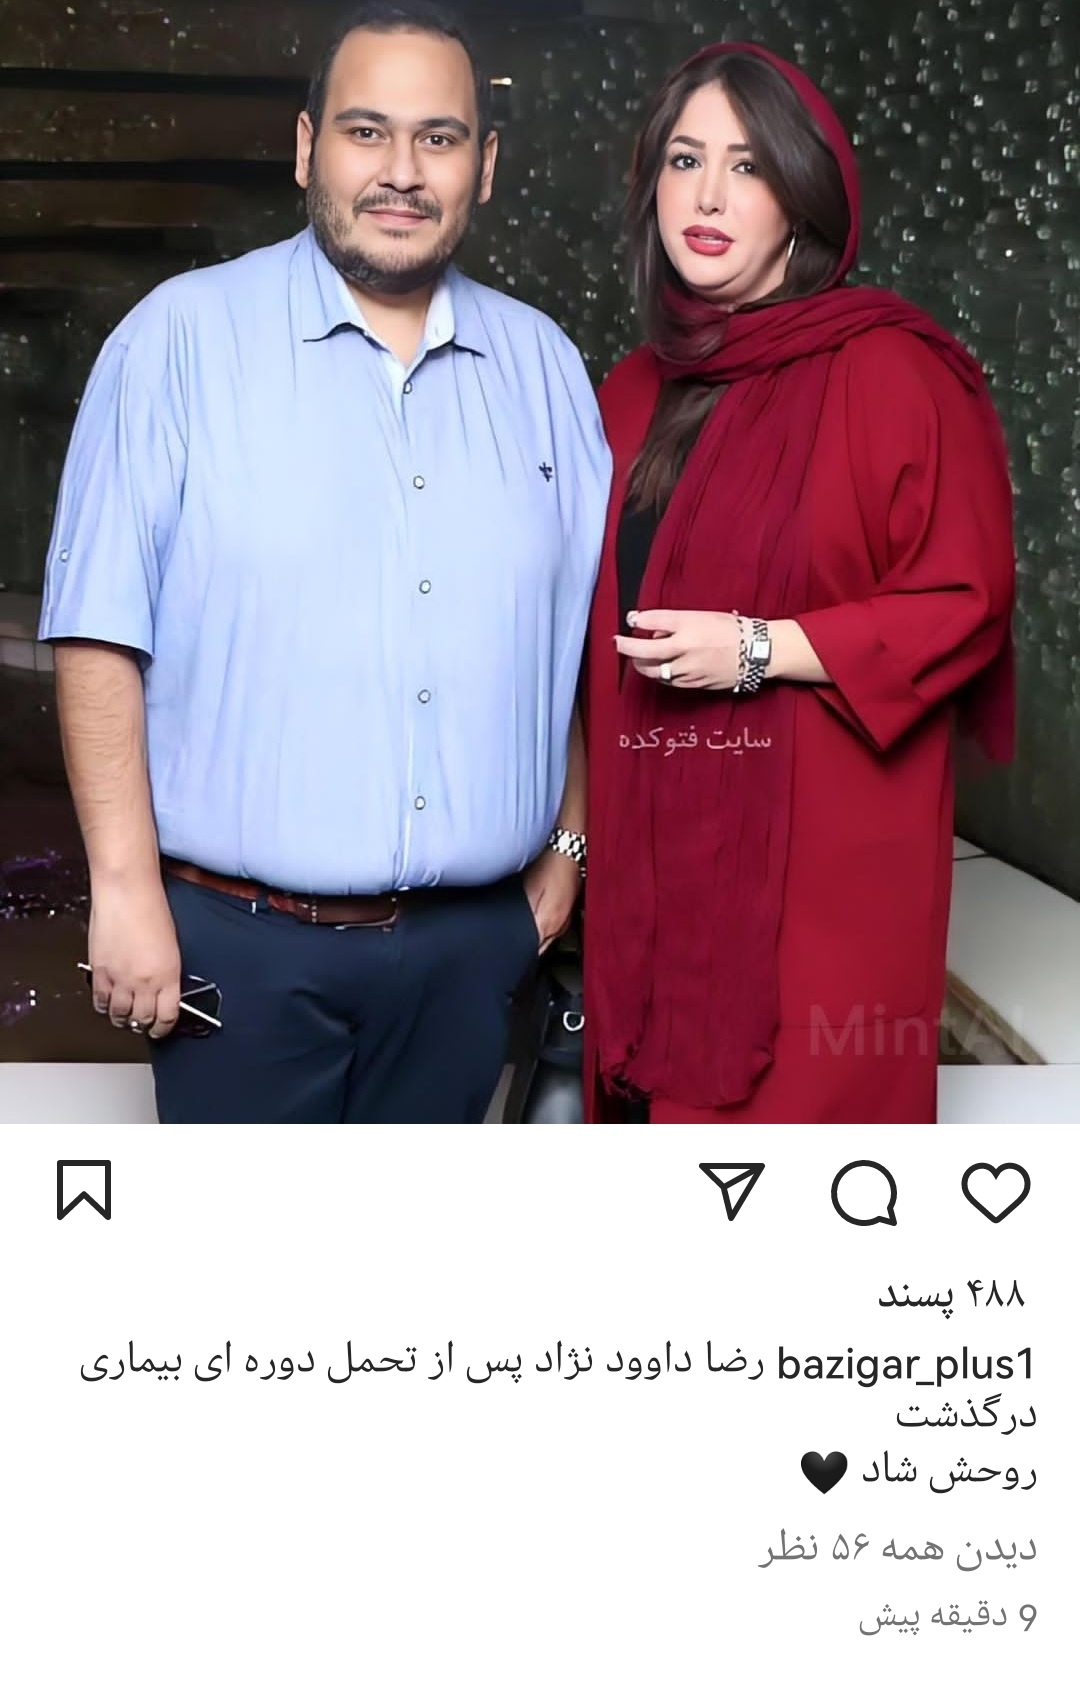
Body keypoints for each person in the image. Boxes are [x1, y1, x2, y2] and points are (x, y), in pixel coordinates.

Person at [39, 2, 611, 1124]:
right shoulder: (177, 340)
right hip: (240, 951)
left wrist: (569, 849)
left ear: (485, 165)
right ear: (308, 149)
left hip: (471, 954)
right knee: (250, 1245)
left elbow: (568, 642)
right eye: (366, 131)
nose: (401, 171)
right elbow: (98, 633)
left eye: (439, 138)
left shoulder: (545, 366)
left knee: (420, 1242)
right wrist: (123, 889)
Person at [584, 42, 1015, 1125]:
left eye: (749, 166)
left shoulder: (895, 371)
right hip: (649, 869)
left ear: (804, 199)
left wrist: (758, 648)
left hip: (823, 890)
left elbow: (964, 600)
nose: (709, 196)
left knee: (803, 1181)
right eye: (685, 160)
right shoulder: (630, 393)